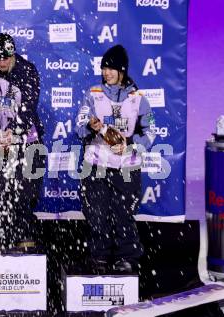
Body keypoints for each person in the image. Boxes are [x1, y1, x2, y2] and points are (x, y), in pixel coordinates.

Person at [75, 44, 156, 274]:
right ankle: (98, 256)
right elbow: (78, 128)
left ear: (122, 70)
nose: (106, 73)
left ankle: (128, 258)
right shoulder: (92, 95)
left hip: (127, 167)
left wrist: (130, 144)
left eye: (111, 68)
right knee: (97, 215)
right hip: (96, 166)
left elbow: (150, 132)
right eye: (104, 68)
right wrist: (91, 128)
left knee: (123, 215)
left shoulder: (139, 99)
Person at [0, 33, 45, 250]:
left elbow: (28, 106)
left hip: (26, 139)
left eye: (6, 57)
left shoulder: (27, 70)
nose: (2, 62)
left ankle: (23, 232)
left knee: (25, 189)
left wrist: (13, 133)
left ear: (13, 54)